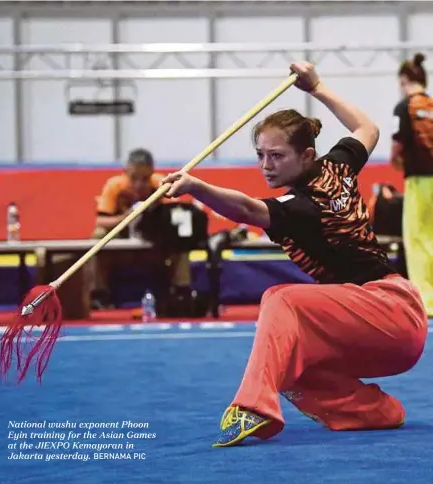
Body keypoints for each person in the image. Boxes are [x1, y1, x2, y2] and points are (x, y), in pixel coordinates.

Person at [161, 62, 429, 447]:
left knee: (279, 298)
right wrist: (317, 86)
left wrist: (195, 187)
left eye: (277, 156)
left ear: (305, 156)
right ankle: (376, 411)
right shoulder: (338, 165)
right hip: (378, 324)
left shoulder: (299, 206)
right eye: (261, 155)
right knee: (288, 359)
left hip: (391, 311)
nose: (266, 166)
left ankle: (253, 406)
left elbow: (248, 210)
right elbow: (367, 129)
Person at [90, 148, 192, 311]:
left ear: (152, 173)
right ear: (125, 173)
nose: (139, 184)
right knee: (98, 236)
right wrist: (126, 217)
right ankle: (99, 294)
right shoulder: (114, 186)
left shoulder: (162, 185)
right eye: (133, 178)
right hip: (122, 247)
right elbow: (100, 221)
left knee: (182, 238)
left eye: (145, 179)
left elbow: (177, 217)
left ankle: (182, 292)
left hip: (154, 244)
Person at [390, 53, 433, 317]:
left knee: (417, 240)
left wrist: (397, 163)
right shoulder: (432, 104)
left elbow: (396, 147)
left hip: (418, 181)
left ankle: (425, 300)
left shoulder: (403, 107)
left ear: (405, 80)